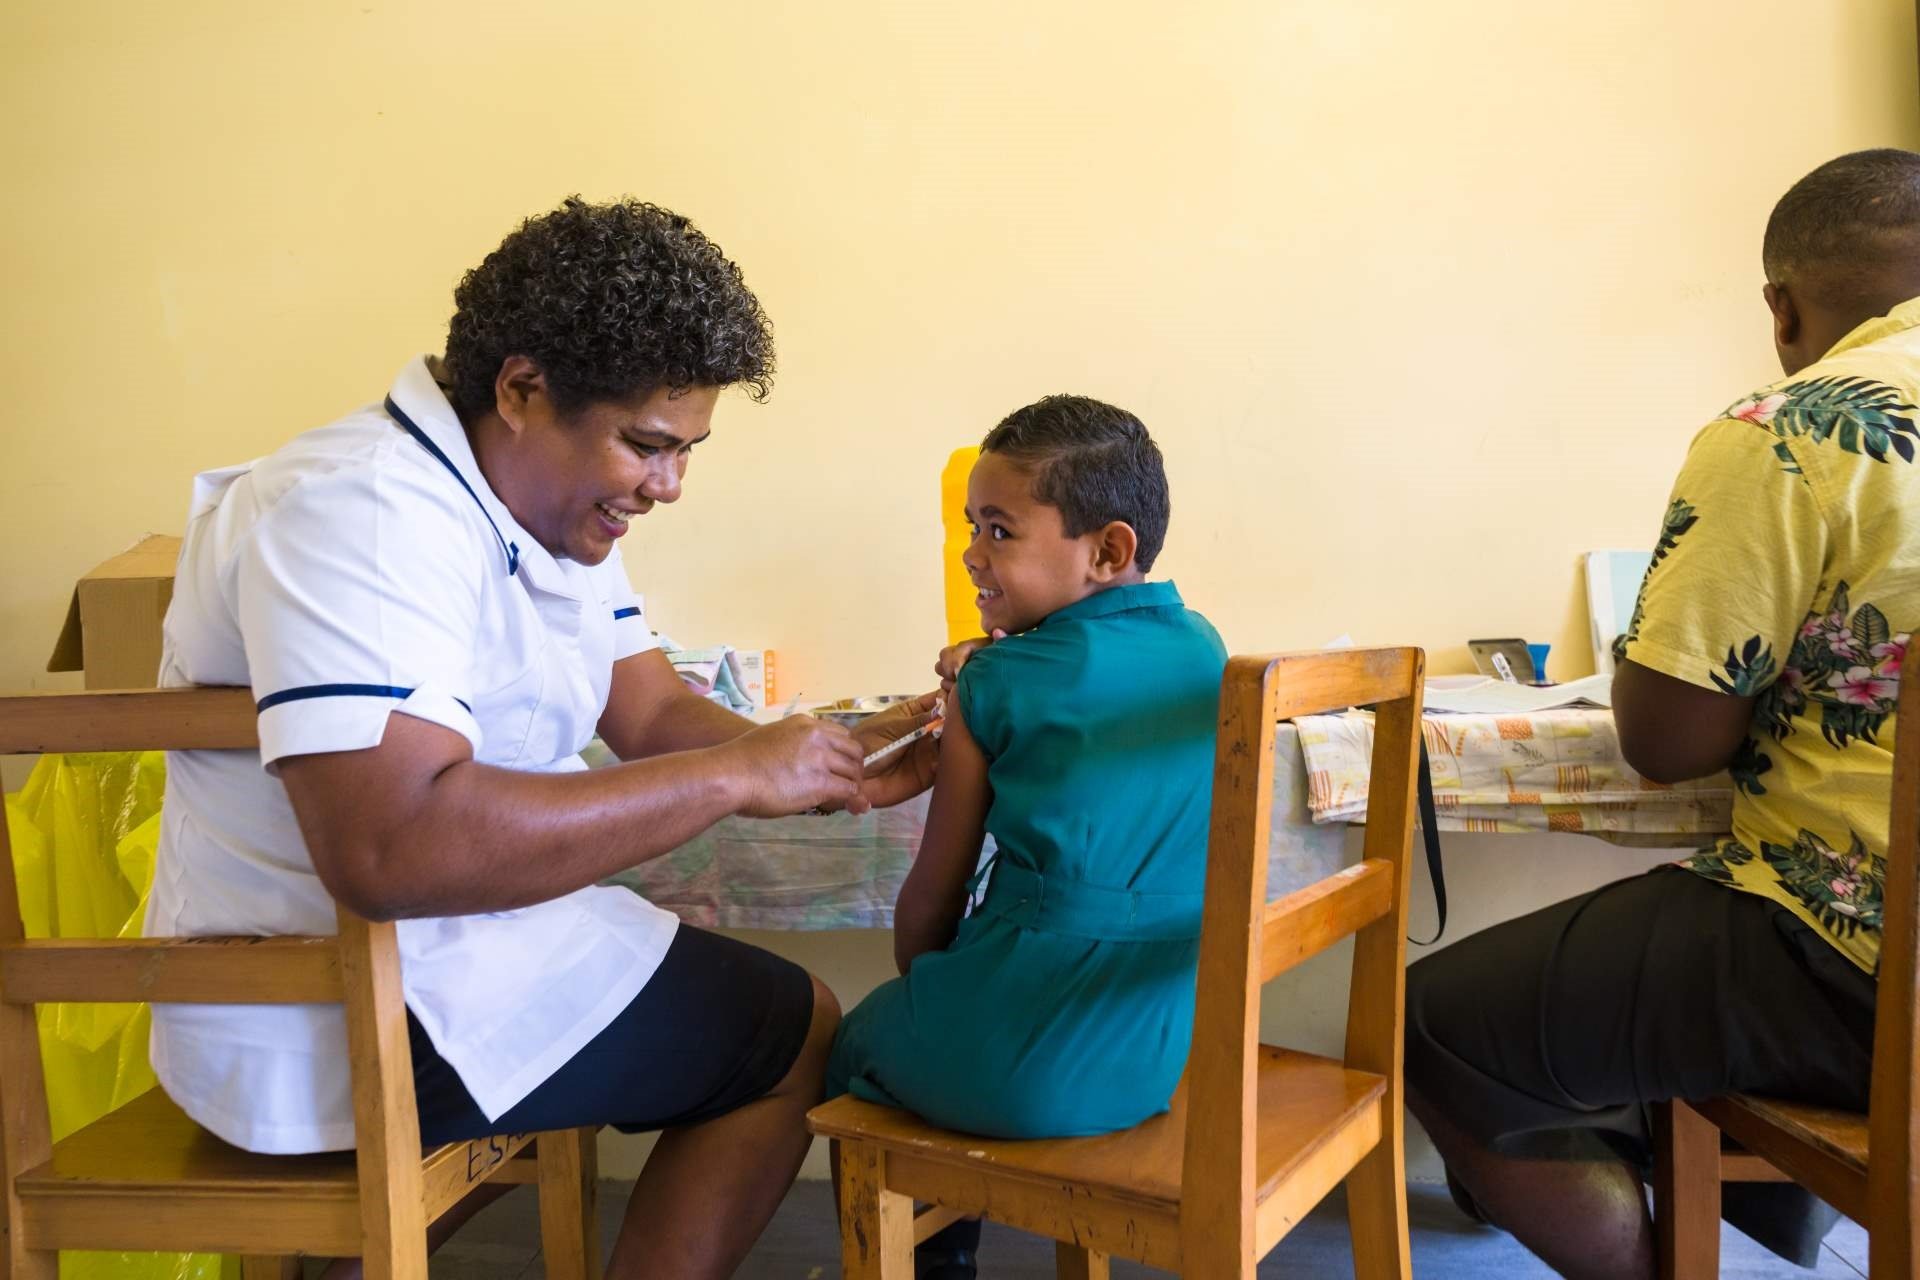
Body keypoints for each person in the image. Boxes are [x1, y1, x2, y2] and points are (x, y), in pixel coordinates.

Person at [148, 197, 938, 1279]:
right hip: (340, 995)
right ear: (522, 391)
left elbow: (650, 713)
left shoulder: (537, 503)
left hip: (448, 951)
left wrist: (828, 763)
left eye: (687, 451)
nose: (669, 486)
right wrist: (735, 775)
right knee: (790, 1034)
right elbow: (392, 847)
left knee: (757, 1013)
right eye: (647, 446)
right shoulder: (364, 510)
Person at [1403, 148, 1920, 1280]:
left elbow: (1668, 741)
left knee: (1437, 1023)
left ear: (1782, 309)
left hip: (1870, 955)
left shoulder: (1799, 428)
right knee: (1647, 978)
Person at [826, 396, 1228, 1278]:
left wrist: (926, 984)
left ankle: (940, 1265)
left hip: (1017, 1061)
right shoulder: (1206, 649)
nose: (972, 552)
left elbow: (932, 896)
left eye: (999, 531)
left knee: (851, 1044)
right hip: (1155, 1050)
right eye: (973, 526)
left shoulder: (995, 683)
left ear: (1107, 551)